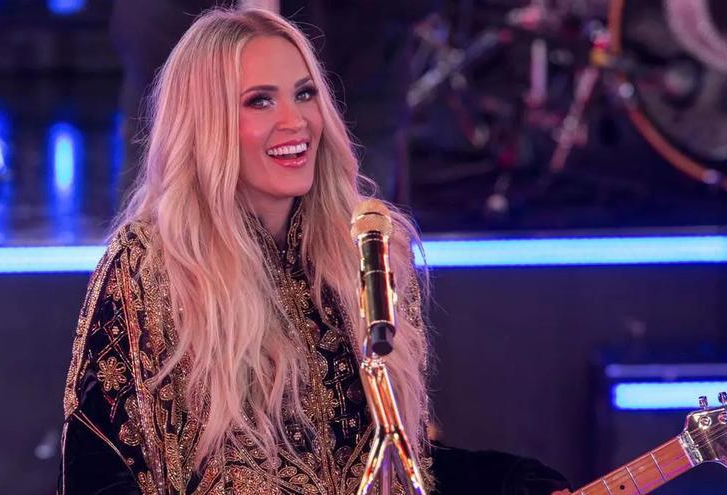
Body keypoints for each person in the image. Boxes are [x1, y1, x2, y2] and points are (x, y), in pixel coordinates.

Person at [59, 7, 570, 494]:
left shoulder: (367, 248)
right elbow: (96, 468)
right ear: (206, 122)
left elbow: (388, 468)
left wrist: (509, 481)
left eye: (304, 95)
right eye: (260, 100)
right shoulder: (150, 264)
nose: (296, 121)